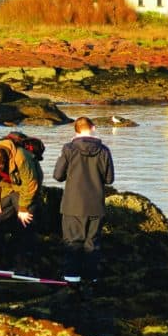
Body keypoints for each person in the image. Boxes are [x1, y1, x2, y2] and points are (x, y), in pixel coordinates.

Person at [52, 116, 114, 288]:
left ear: (75, 130)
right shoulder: (104, 150)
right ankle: (91, 279)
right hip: (95, 204)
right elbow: (109, 179)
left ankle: (72, 279)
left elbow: (58, 176)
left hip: (73, 203)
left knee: (73, 242)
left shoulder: (68, 149)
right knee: (92, 243)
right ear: (93, 128)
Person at [0, 134, 44, 274]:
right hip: (6, 188)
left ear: (4, 163)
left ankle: (22, 262)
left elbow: (31, 184)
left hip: (24, 189)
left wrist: (22, 207)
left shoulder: (21, 157)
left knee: (25, 222)